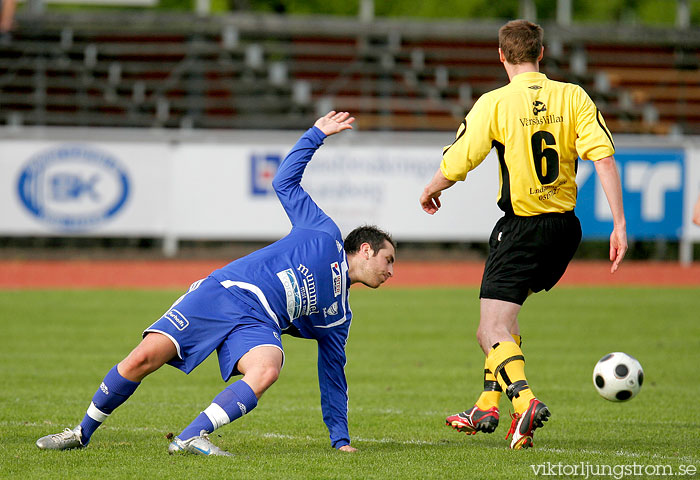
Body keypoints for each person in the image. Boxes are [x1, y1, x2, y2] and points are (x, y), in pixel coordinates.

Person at [36, 111, 396, 456]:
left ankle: (191, 437)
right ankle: (81, 433)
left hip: (259, 323)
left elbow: (333, 377)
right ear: (365, 249)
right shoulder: (323, 232)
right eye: (388, 259)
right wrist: (315, 135)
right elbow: (284, 181)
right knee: (143, 358)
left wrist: (340, 439)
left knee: (268, 368)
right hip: (224, 293)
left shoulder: (338, 317)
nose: (391, 271)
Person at [419, 20, 627, 450]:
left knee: (488, 329)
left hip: (521, 227)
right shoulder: (573, 96)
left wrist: (431, 188)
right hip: (565, 229)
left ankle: (525, 401)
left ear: (501, 56)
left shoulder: (494, 103)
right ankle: (486, 405)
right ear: (542, 53)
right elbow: (604, 158)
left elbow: (459, 160)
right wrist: (618, 224)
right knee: (506, 321)